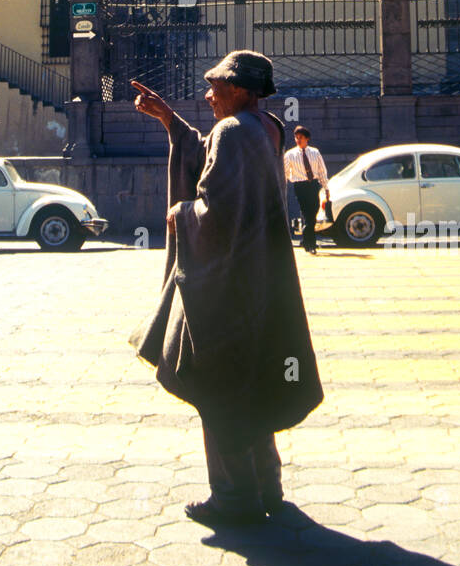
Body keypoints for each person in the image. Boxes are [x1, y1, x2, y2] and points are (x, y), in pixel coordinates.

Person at [129, 52, 323, 528]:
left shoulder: (233, 131)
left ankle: (234, 498)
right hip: (260, 276)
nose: (208, 95)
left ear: (240, 89)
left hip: (229, 284)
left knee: (217, 384)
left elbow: (216, 211)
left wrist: (179, 215)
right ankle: (268, 487)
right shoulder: (266, 128)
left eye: (215, 86)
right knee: (252, 382)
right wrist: (172, 122)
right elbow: (225, 176)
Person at [283, 126, 329, 255]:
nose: (298, 140)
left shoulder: (315, 152)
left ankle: (305, 236)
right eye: (296, 138)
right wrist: (292, 180)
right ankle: (311, 244)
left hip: (313, 184)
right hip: (300, 186)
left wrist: (326, 187)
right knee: (306, 213)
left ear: (307, 138)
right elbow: (285, 172)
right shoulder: (290, 155)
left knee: (312, 213)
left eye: (301, 138)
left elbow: (321, 171)